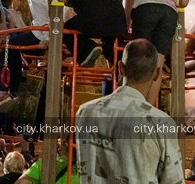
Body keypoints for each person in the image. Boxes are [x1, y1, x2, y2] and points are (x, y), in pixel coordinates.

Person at [73, 38, 184, 184]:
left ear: (120, 68)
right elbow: (173, 180)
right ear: (157, 74)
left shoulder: (85, 112)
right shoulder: (161, 123)